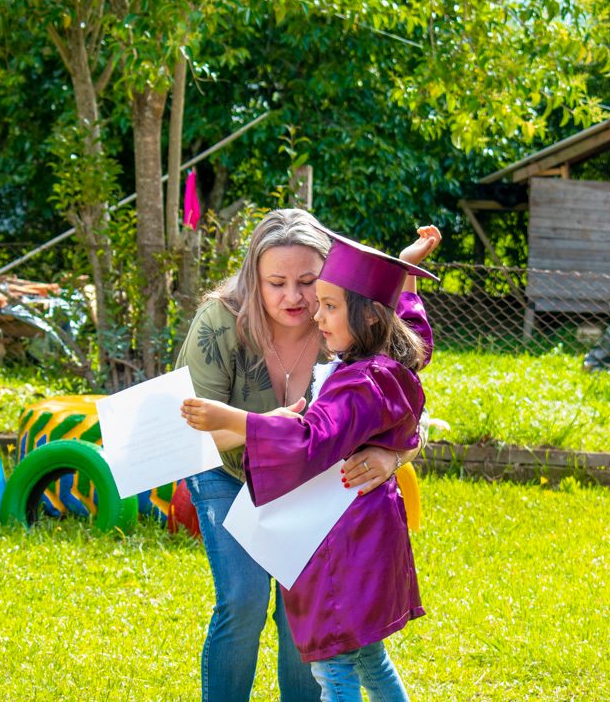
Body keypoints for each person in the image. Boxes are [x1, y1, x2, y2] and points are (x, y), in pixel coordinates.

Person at [181, 223, 441, 702]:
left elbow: (316, 435)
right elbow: (411, 331)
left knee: (323, 644)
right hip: (247, 477)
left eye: (312, 287)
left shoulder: (351, 357)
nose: (302, 302)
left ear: (364, 315)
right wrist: (407, 274)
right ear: (253, 280)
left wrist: (390, 453)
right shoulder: (364, 342)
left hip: (325, 506)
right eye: (276, 283)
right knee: (251, 605)